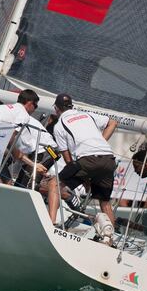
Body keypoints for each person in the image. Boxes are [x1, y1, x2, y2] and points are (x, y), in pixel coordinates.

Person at [48, 93, 118, 225]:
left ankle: (50, 223)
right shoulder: (87, 115)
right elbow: (113, 123)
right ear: (71, 106)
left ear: (57, 109)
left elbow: (68, 160)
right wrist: (100, 143)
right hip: (109, 158)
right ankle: (110, 240)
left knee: (54, 184)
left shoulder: (59, 125)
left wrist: (84, 179)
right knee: (104, 201)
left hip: (88, 159)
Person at [0, 89, 45, 181]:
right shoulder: (23, 115)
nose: (35, 109)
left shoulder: (0, 108)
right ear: (29, 103)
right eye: (35, 105)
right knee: (7, 182)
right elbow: (10, 140)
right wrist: (33, 164)